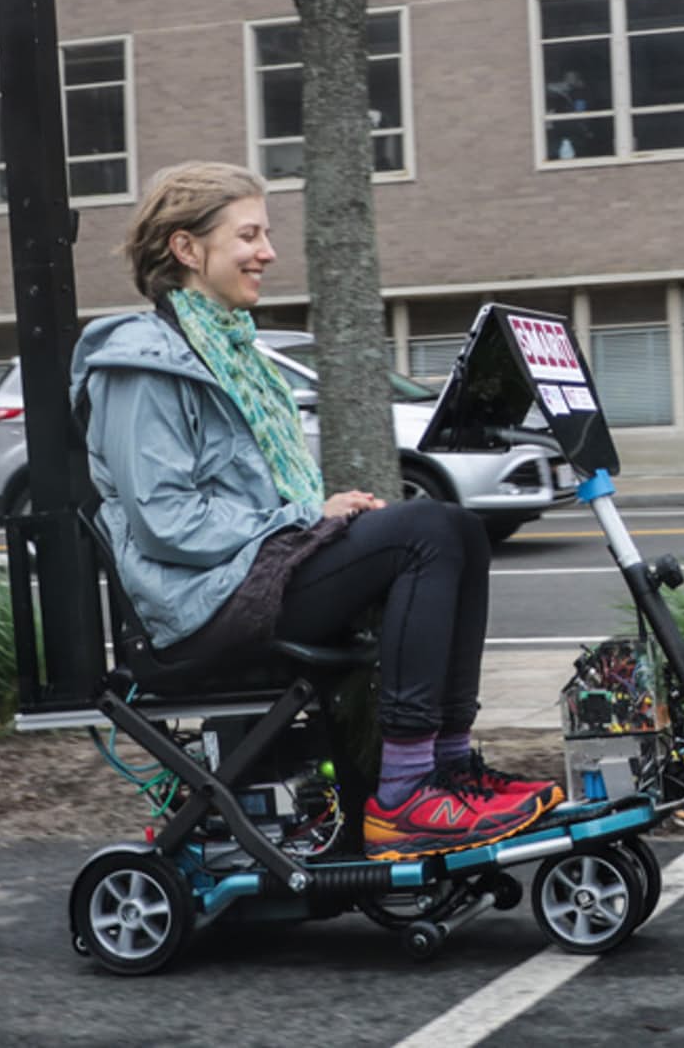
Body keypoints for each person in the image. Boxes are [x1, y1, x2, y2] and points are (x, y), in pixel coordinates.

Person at [70, 162, 562, 860]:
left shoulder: (236, 353)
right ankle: (407, 793)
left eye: (265, 233)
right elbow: (166, 523)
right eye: (248, 234)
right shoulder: (142, 368)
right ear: (186, 249)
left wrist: (317, 518)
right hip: (200, 606)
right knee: (424, 533)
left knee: (457, 528)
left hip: (255, 575)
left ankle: (449, 770)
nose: (267, 251)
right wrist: (306, 518)